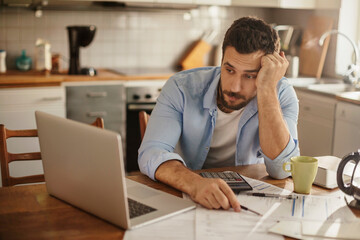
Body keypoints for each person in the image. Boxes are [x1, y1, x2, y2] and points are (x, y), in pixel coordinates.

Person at [138, 16, 299, 212]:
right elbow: (151, 152)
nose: (234, 87)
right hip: (186, 194)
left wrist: (266, 89)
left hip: (247, 203)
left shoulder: (280, 94)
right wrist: (195, 184)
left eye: (250, 75)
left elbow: (282, 169)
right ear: (220, 61)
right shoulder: (181, 87)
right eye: (229, 70)